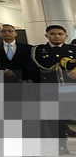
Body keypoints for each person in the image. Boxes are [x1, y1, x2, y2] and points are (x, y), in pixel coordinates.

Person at [31, 25, 76, 155]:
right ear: (47, 35)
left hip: (72, 89)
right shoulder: (38, 51)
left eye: (60, 34)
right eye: (53, 34)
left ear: (66, 36)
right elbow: (34, 70)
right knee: (55, 119)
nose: (56, 36)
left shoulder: (73, 49)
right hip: (50, 90)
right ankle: (61, 145)